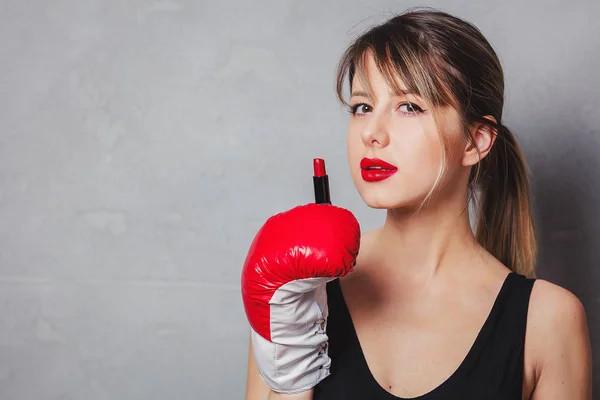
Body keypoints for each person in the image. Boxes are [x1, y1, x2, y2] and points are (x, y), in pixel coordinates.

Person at [242, 8, 592, 400]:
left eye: (409, 106)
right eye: (362, 107)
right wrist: (290, 371)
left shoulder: (548, 320)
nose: (372, 133)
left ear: (476, 141)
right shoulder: (300, 290)